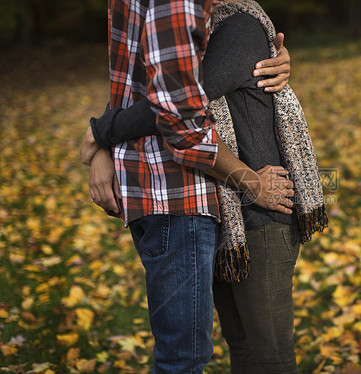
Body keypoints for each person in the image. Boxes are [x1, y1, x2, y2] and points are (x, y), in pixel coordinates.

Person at [80, 0, 295, 373]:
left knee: (269, 354)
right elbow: (155, 88)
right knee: (241, 345)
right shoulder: (203, 24)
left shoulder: (239, 26)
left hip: (261, 212)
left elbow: (178, 103)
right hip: (229, 207)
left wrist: (101, 132)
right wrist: (103, 139)